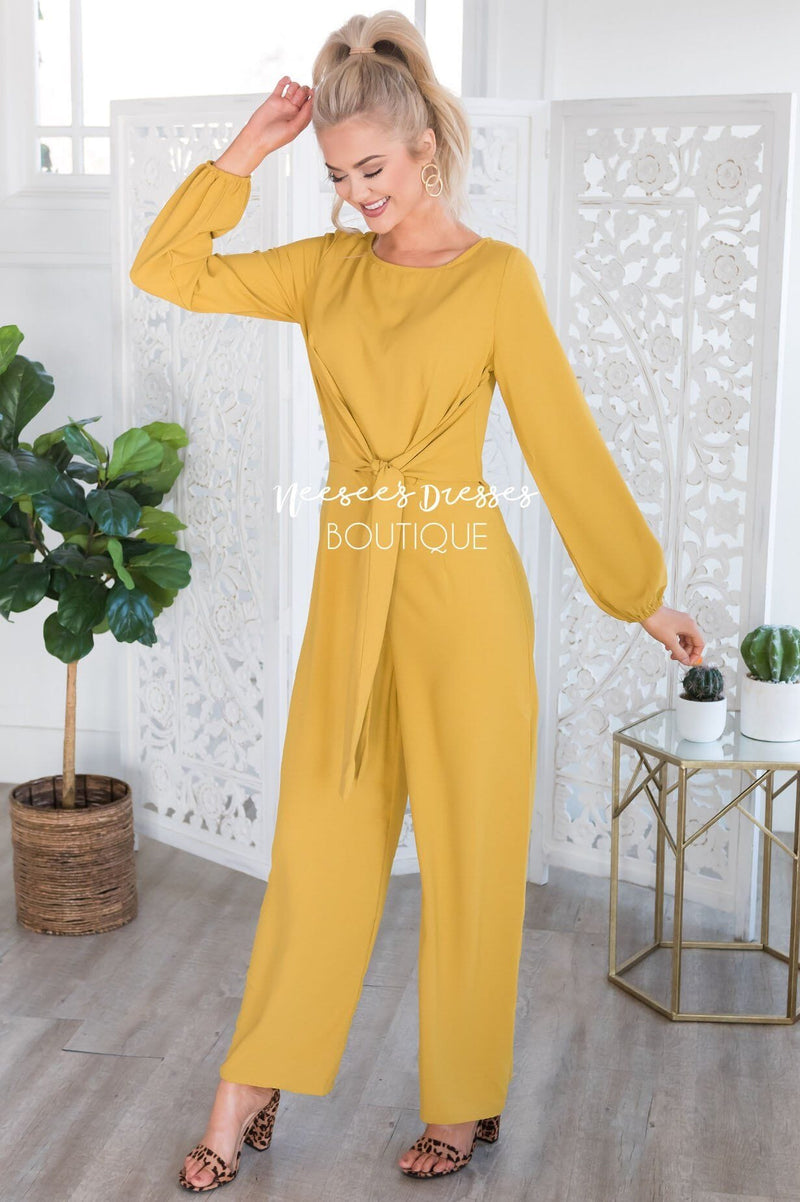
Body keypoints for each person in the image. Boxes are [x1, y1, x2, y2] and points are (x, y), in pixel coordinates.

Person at [129, 11, 705, 1192]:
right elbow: (166, 268)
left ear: (424, 147)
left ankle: (462, 1096)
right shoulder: (324, 272)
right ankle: (250, 1082)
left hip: (463, 598)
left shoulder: (496, 279)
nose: (355, 197)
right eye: (336, 177)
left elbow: (560, 443)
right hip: (353, 592)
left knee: (470, 853)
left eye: (371, 170)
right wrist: (248, 149)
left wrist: (638, 595)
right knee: (319, 842)